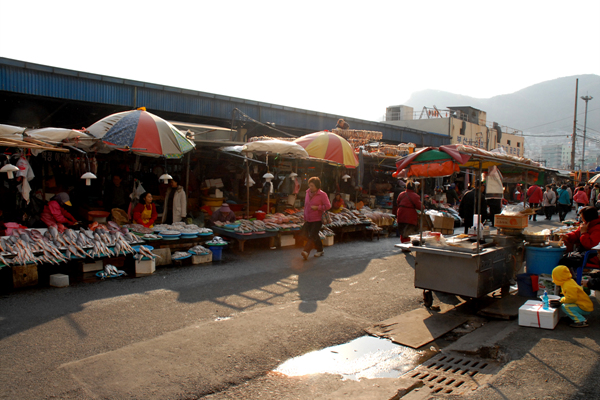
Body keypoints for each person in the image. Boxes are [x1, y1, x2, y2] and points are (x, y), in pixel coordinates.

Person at [301, 177, 331, 260]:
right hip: (309, 218)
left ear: (317, 186)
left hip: (317, 219)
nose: (310, 187)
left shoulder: (322, 194)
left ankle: (306, 251)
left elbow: (328, 206)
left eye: (312, 186)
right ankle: (320, 250)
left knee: (312, 235)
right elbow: (306, 206)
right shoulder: (307, 192)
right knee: (314, 235)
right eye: (309, 185)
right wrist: (305, 216)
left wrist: (318, 207)